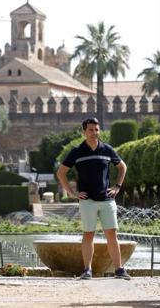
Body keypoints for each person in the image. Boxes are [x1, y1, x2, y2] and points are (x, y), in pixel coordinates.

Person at [57, 117, 130, 280]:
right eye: (90, 130)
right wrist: (71, 192)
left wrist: (118, 186)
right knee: (88, 234)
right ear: (84, 132)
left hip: (107, 200)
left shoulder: (107, 149)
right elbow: (61, 172)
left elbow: (122, 167)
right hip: (87, 201)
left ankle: (119, 269)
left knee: (112, 235)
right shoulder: (77, 151)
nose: (94, 133)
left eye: (96, 130)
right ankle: (87, 270)